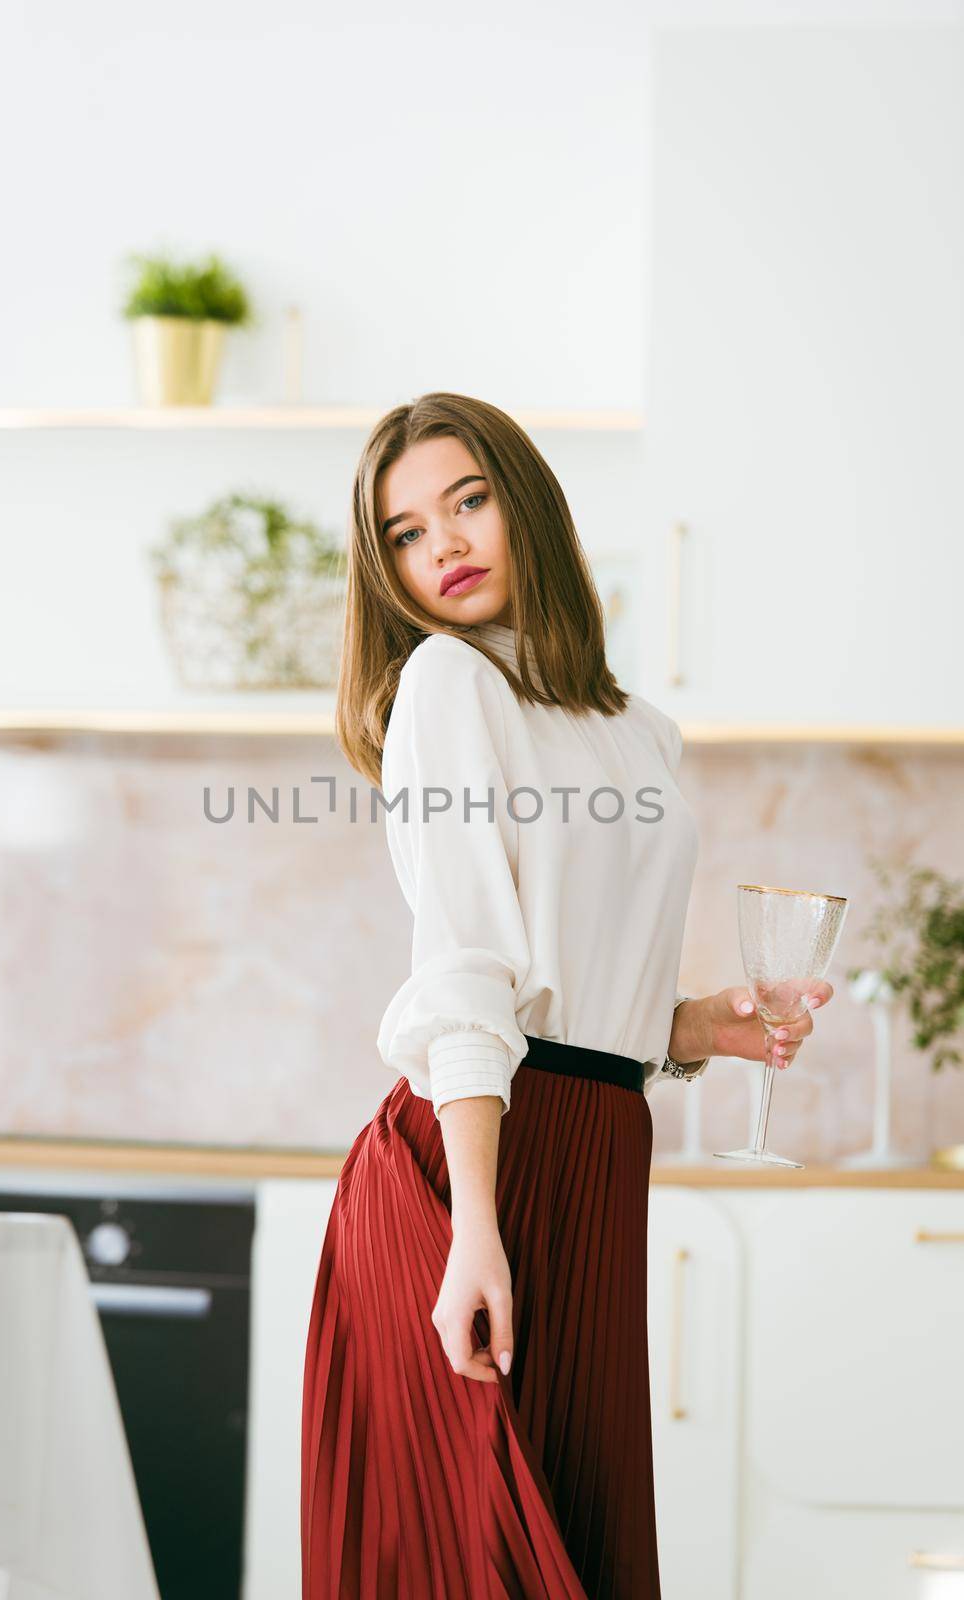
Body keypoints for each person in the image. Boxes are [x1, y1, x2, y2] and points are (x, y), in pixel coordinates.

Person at [301, 392, 833, 1599]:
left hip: (597, 1149)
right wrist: (474, 1227)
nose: (441, 543)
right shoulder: (447, 682)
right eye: (403, 532)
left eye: (468, 500)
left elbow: (585, 992)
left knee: (579, 1545)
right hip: (471, 1169)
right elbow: (471, 973)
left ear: (526, 503)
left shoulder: (637, 732)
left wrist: (701, 1026)